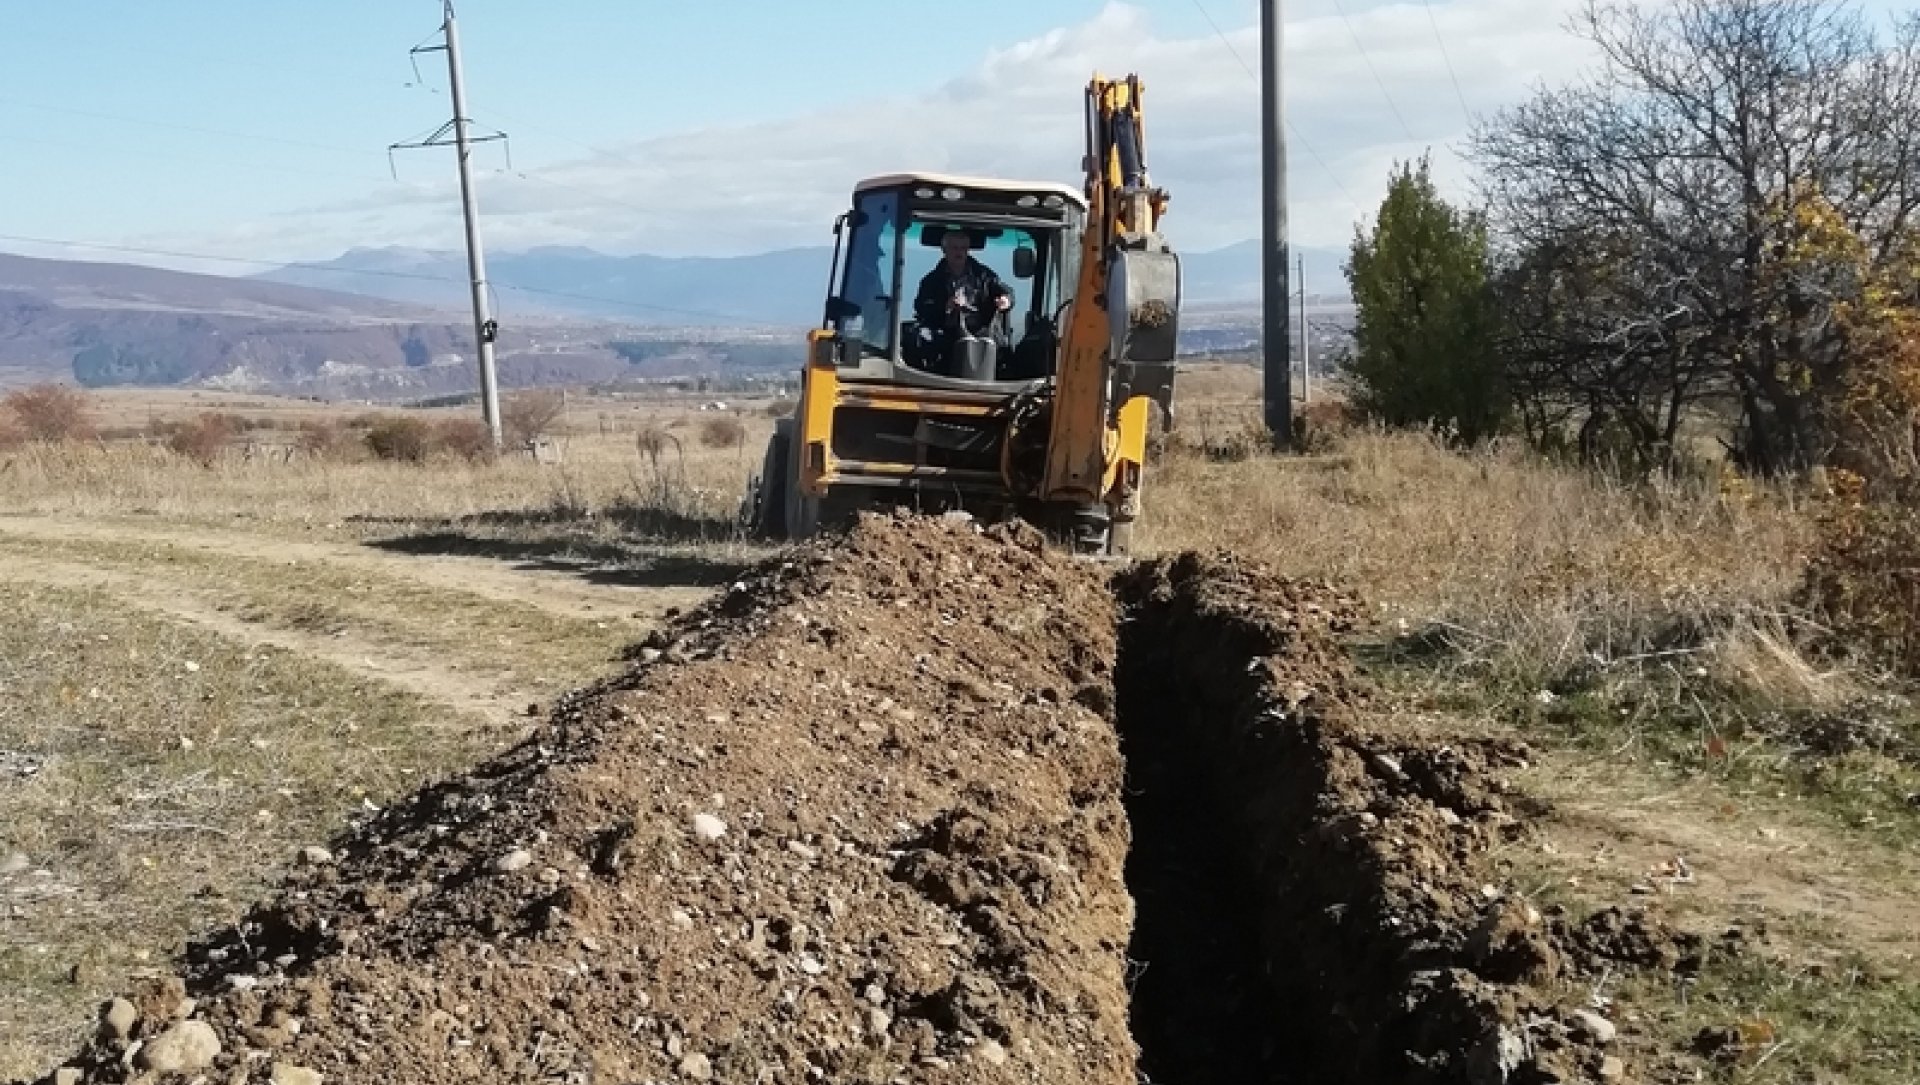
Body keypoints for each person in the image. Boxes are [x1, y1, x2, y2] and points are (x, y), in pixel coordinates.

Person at [913, 229, 1013, 372]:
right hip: (945, 334)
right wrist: (945, 306)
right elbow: (921, 307)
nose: (959, 252)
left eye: (963, 248)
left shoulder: (984, 275)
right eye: (954, 248)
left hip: (983, 332)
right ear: (944, 250)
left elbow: (1004, 290)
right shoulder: (931, 281)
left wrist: (1006, 299)